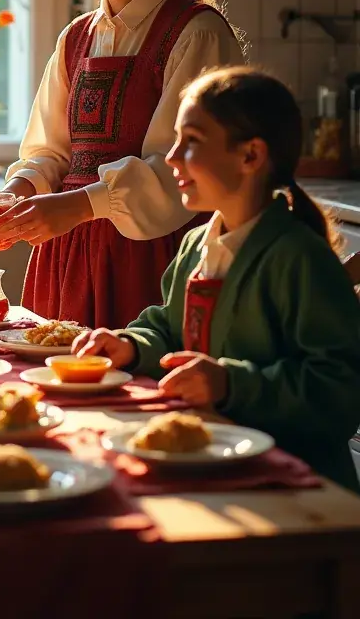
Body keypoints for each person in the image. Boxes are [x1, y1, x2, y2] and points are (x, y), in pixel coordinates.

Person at [72, 67, 360, 490]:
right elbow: (169, 330)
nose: (171, 157)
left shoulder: (297, 258)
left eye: (192, 142)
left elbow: (339, 391)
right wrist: (131, 346)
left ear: (250, 156)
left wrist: (230, 384)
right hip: (213, 468)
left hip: (295, 487)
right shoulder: (194, 246)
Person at [0, 0, 243, 329]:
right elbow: (51, 150)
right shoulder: (76, 39)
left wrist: (82, 205)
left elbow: (186, 169)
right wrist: (19, 190)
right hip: (65, 262)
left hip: (152, 265)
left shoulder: (197, 34)